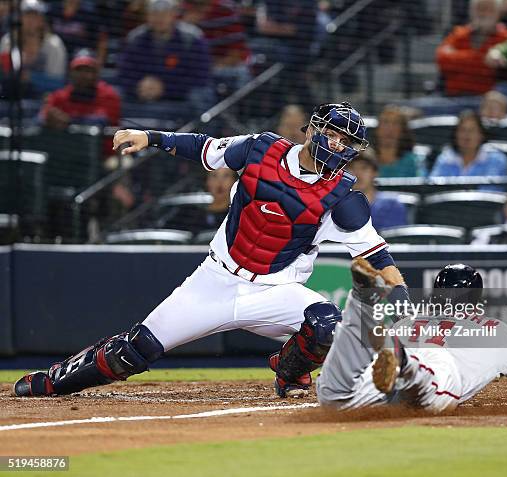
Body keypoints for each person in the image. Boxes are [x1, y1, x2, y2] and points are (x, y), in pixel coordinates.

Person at [13, 102, 411, 401]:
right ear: (311, 130)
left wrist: (402, 301)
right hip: (215, 279)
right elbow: (205, 148)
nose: (338, 145)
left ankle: (290, 373)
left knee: (327, 325)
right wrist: (151, 137)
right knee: (134, 352)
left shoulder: (344, 195)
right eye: (333, 134)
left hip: (276, 290)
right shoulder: (260, 149)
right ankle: (51, 381)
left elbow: (378, 257)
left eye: (348, 141)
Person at [316, 258, 507, 412]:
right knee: (424, 383)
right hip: (438, 368)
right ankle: (403, 363)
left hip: (387, 358)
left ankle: (361, 306)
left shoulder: (409, 320)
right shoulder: (495, 331)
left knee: (332, 396)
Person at [118, 0, 213, 110]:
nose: (159, 18)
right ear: (147, 15)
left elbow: (201, 77)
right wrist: (139, 85)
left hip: (181, 95)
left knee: (200, 96)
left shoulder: (192, 38)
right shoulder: (135, 38)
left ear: (174, 14)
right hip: (141, 94)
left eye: (164, 13)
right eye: (154, 14)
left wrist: (165, 88)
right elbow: (124, 73)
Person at [39, 49, 121, 154]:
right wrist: (47, 119)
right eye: (79, 70)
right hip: (66, 155)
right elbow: (40, 119)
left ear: (96, 74)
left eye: (87, 70)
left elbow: (101, 122)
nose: (83, 75)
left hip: (105, 155)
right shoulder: (59, 96)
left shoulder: (109, 95)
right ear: (71, 73)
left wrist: (69, 121)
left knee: (124, 164)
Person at [436, 0, 507, 96]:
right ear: (471, 11)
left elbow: (498, 70)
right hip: (452, 97)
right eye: (479, 8)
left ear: (498, 13)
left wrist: (457, 58)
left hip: (486, 100)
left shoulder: (506, 37)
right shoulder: (459, 33)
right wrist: (481, 59)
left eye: (489, 9)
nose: (483, 13)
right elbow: (441, 59)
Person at [0, 0, 67, 99]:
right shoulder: (8, 41)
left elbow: (57, 82)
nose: (30, 20)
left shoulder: (54, 45)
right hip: (11, 97)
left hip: (42, 99)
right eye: (27, 15)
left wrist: (31, 78)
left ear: (42, 20)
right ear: (19, 18)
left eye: (35, 16)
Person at [429, 110, 507, 190]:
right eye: (462, 130)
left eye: (472, 130)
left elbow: (491, 193)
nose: (467, 135)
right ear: (455, 135)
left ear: (481, 135)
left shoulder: (495, 160)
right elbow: (434, 189)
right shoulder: (445, 159)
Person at [163, 168, 238, 234]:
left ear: (234, 181)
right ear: (207, 181)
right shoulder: (189, 215)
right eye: (214, 175)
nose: (219, 182)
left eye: (226, 176)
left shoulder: (239, 215)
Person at [348, 152, 408, 232]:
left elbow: (393, 241)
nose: (357, 173)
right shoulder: (335, 206)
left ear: (375, 172)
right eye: (352, 168)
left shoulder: (392, 205)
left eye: (364, 168)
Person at [372, 105, 426, 178]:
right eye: (385, 122)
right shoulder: (366, 159)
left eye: (395, 123)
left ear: (403, 131)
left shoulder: (413, 162)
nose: (390, 128)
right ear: (377, 129)